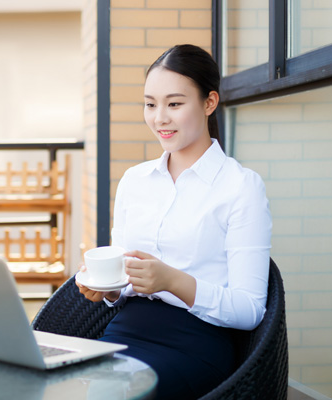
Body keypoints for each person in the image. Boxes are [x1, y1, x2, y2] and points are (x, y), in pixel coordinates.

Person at [76, 44, 272, 399]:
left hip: (196, 343)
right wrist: (107, 289)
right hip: (124, 331)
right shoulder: (134, 181)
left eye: (175, 104)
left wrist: (172, 280)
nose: (159, 118)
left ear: (209, 102)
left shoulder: (241, 187)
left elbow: (249, 310)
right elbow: (123, 282)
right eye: (150, 104)